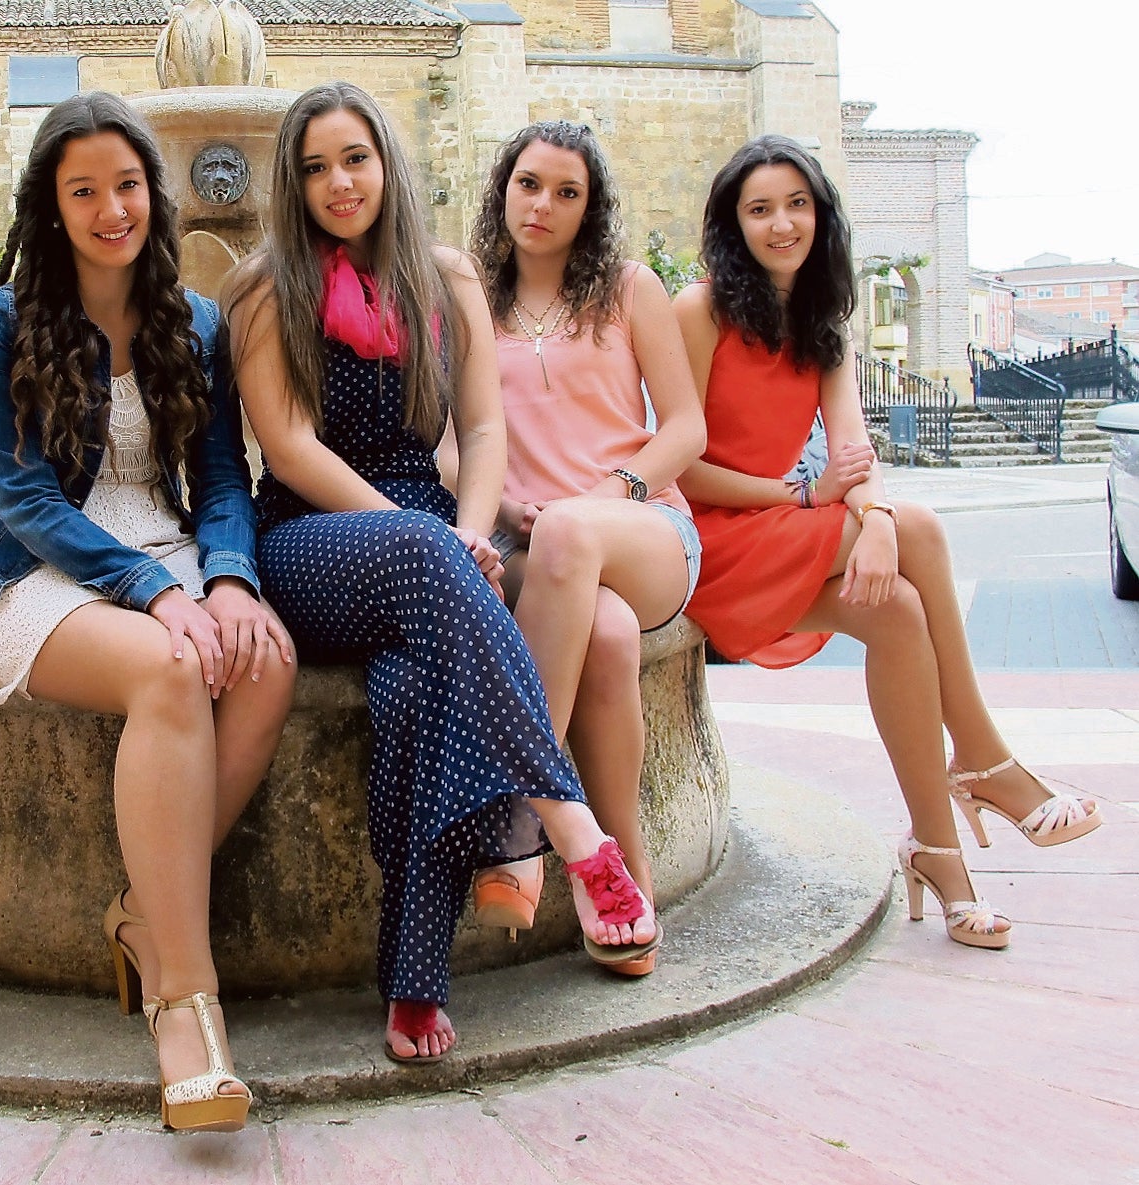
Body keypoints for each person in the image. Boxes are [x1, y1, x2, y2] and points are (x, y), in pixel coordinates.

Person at [222, 81, 652, 1066]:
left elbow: (484, 428)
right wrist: (436, 539)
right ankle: (570, 830)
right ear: (292, 184)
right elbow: (285, 450)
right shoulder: (259, 287)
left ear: (388, 164)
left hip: (429, 539)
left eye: (355, 158)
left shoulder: (447, 277)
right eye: (314, 167)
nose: (339, 181)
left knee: (418, 692)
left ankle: (414, 982)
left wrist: (466, 527)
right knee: (420, 551)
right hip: (309, 541)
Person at [0, 92, 294, 1133]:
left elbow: (225, 479)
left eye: (128, 185)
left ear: (157, 190)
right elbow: (22, 496)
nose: (112, 209)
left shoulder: (195, 319)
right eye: (84, 190)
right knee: (167, 669)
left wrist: (225, 579)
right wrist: (153, 597)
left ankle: (147, 914)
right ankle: (187, 1009)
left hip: (163, 547)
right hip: (31, 564)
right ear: (50, 205)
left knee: (265, 657)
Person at [673, 135, 1102, 950]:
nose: (781, 223)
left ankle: (938, 853)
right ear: (733, 225)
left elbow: (852, 453)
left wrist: (869, 519)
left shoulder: (822, 319)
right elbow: (684, 466)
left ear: (821, 215)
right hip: (714, 540)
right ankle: (982, 757)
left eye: (797, 204)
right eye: (759, 209)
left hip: (790, 527)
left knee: (901, 610)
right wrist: (814, 499)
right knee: (927, 529)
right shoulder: (700, 311)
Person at [463, 120, 706, 975]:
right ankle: (622, 877)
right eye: (530, 183)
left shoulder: (629, 288)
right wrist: (506, 503)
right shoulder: (468, 299)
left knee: (577, 538)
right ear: (504, 188)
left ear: (590, 207)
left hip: (644, 529)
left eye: (568, 192)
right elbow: (453, 439)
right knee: (600, 634)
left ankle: (521, 827)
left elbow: (685, 427)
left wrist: (608, 496)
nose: (544, 205)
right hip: (536, 543)